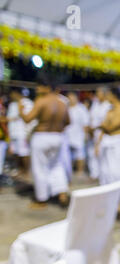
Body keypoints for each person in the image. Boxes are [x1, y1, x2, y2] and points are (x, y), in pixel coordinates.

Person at [19, 79, 70, 208]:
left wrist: (20, 110)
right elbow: (68, 121)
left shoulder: (41, 101)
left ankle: (41, 199)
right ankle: (62, 193)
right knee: (57, 165)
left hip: (42, 136)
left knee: (39, 168)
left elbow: (27, 119)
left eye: (39, 87)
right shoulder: (62, 103)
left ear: (47, 87)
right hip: (57, 137)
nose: (37, 90)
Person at [96, 88, 120, 209]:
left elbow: (111, 126)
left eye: (108, 95)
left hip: (118, 143)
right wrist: (97, 144)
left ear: (113, 96)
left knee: (118, 173)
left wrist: (100, 126)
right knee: (106, 172)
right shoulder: (109, 110)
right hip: (107, 142)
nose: (106, 97)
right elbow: (105, 129)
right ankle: (108, 199)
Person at [7, 89, 35, 177]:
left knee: (24, 153)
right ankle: (20, 169)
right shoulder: (12, 104)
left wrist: (29, 133)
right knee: (16, 153)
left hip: (23, 133)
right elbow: (9, 119)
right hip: (13, 133)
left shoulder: (28, 103)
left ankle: (26, 172)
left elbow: (30, 120)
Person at [87, 87, 111, 180]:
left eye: (99, 93)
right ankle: (94, 174)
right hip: (93, 133)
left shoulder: (108, 105)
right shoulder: (95, 104)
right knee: (92, 154)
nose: (97, 95)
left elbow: (106, 123)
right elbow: (91, 117)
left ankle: (102, 177)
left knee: (101, 155)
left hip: (103, 133)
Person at [65, 92, 90, 176]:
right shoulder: (66, 108)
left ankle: (80, 172)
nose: (70, 99)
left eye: (72, 97)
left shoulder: (81, 108)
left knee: (80, 155)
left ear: (76, 98)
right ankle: (70, 172)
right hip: (67, 135)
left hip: (79, 135)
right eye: (69, 97)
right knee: (68, 155)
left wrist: (85, 135)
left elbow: (86, 123)